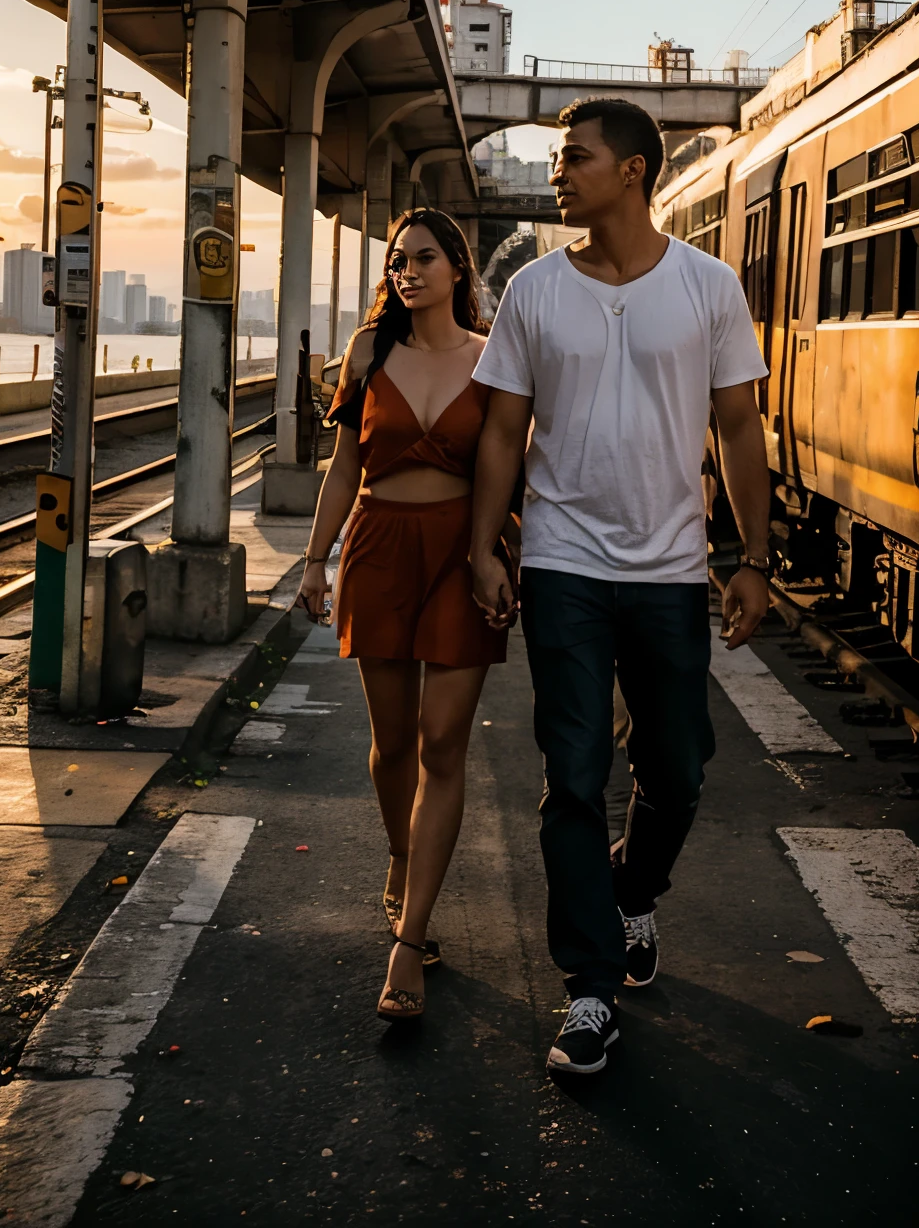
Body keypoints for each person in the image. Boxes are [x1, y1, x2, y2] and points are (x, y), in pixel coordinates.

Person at [469, 97, 770, 1076]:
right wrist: (486, 544)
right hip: (562, 564)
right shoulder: (532, 291)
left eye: (574, 158)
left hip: (671, 567)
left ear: (631, 171)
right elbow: (504, 432)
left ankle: (629, 890)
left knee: (678, 767)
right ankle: (589, 990)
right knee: (573, 777)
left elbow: (735, 427)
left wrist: (753, 558)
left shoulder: (706, 286)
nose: (558, 172)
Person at [297, 208, 511, 1022]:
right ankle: (400, 853)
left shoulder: (493, 362)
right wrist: (314, 560)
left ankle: (410, 939)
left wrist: (498, 554)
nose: (406, 271)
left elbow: (508, 465)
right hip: (379, 547)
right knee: (391, 747)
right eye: (397, 261)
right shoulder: (367, 352)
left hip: (460, 553)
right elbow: (345, 461)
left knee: (442, 747)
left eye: (424, 259)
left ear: (458, 268)